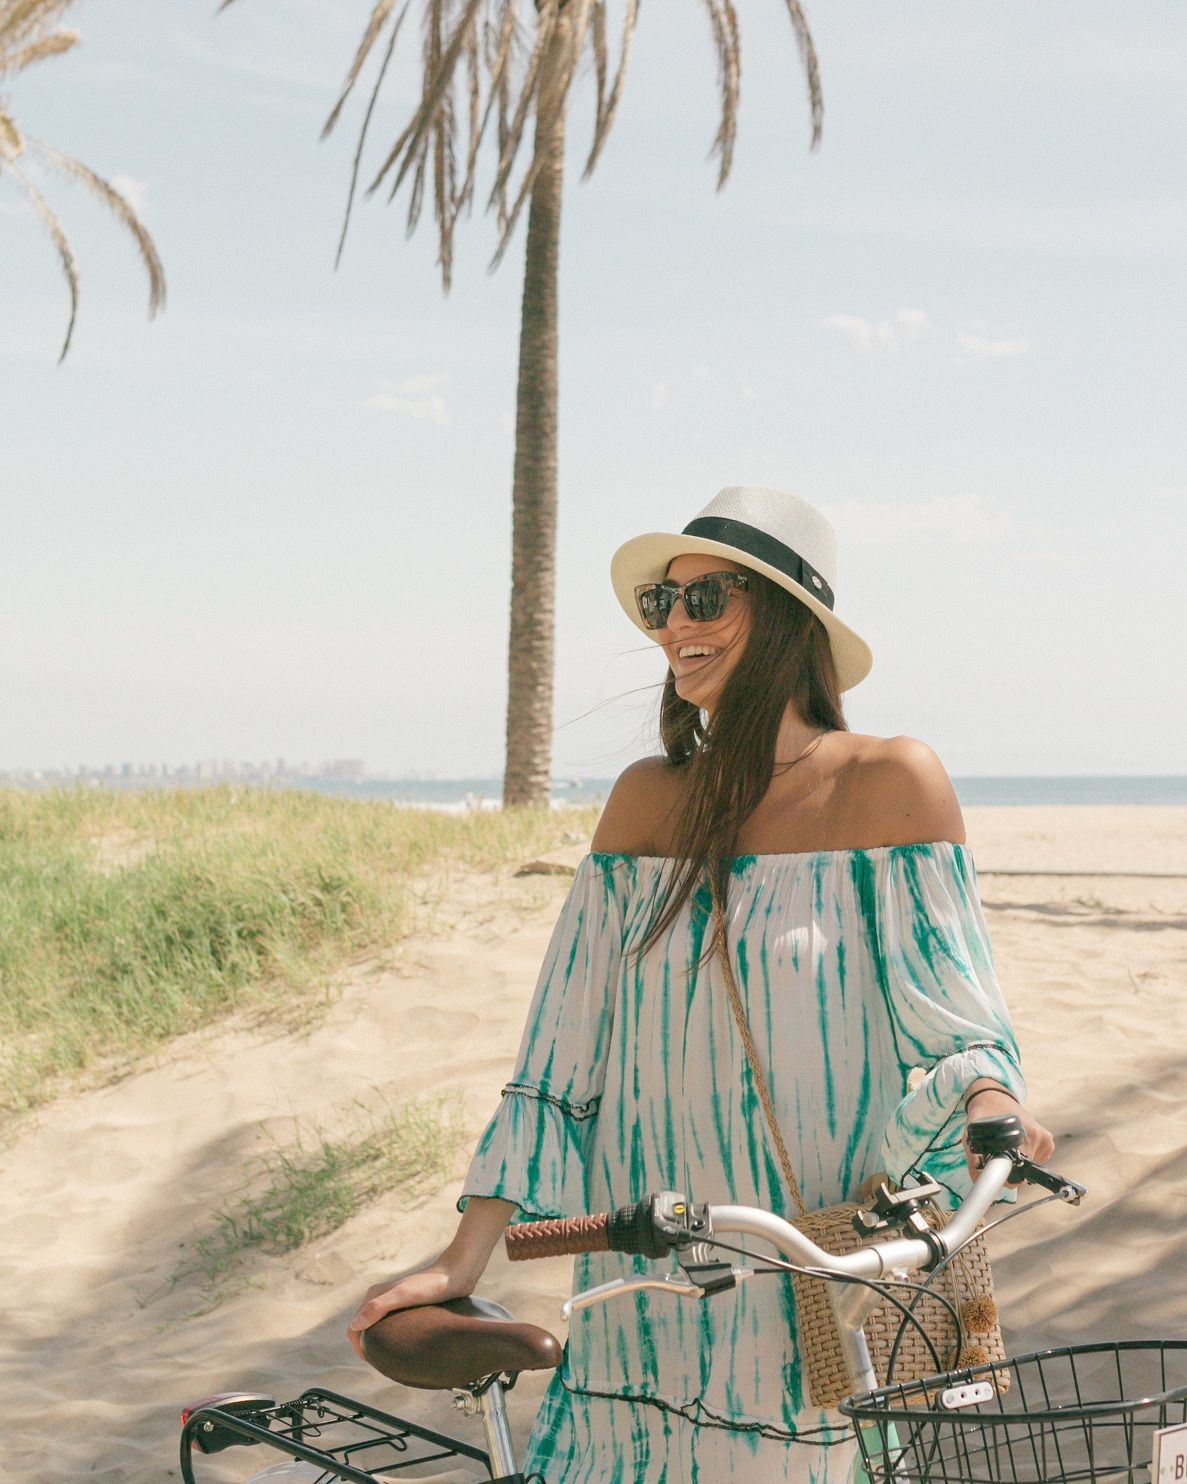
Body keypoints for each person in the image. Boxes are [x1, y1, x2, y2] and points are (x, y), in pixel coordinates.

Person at [348, 485, 1055, 1482]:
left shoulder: (889, 781)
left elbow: (956, 1027)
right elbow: (560, 1053)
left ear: (784, 616)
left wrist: (990, 1097)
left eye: (704, 598)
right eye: (659, 604)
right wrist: (463, 1258)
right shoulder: (646, 802)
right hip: (650, 1290)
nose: (673, 626)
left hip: (816, 1284)